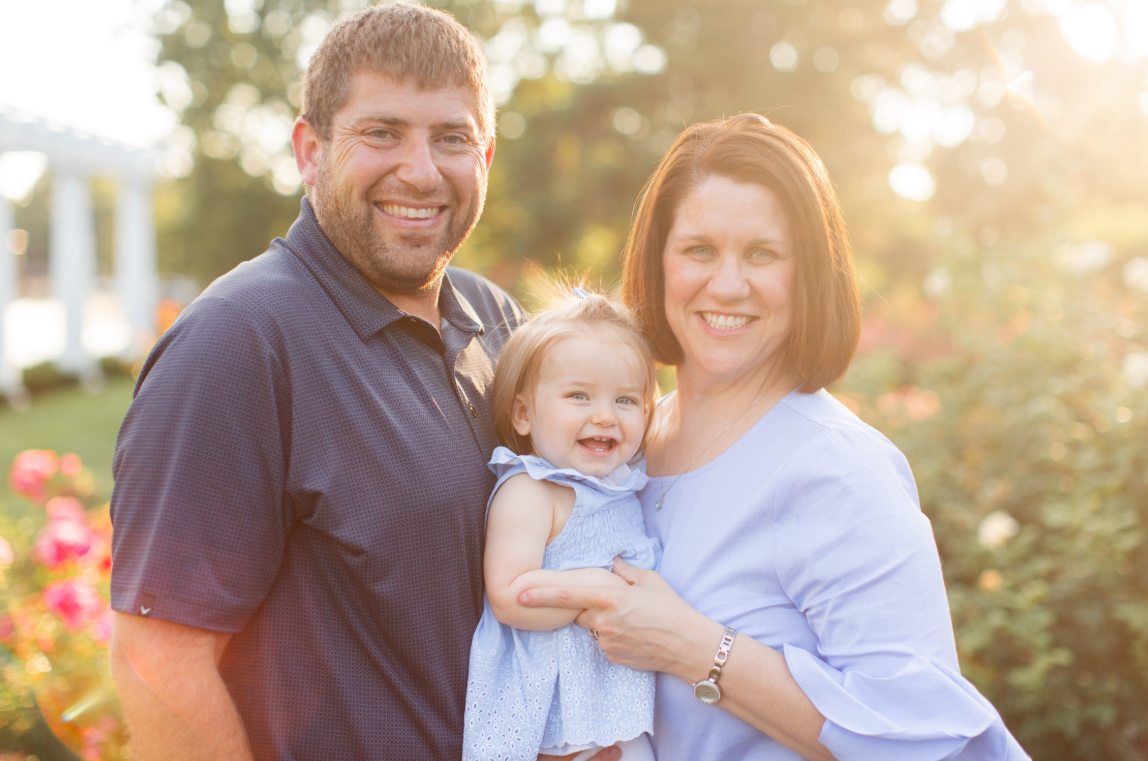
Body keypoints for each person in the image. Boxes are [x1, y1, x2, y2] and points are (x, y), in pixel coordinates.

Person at [107, 6, 622, 761]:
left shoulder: (498, 320)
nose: (420, 170)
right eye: (382, 132)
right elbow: (158, 663)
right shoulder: (237, 343)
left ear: (484, 157)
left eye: (450, 138)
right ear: (310, 150)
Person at [520, 114, 1031, 760]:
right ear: (659, 264)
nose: (728, 284)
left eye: (762, 254)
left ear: (807, 273)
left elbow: (924, 740)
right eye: (699, 250)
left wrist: (694, 647)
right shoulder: (616, 445)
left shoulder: (838, 469)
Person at [462, 290, 660, 761]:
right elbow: (511, 597)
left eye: (626, 400)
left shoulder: (621, 484)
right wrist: (596, 589)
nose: (605, 416)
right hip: (553, 712)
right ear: (524, 413)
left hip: (612, 702)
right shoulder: (532, 491)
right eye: (578, 396)